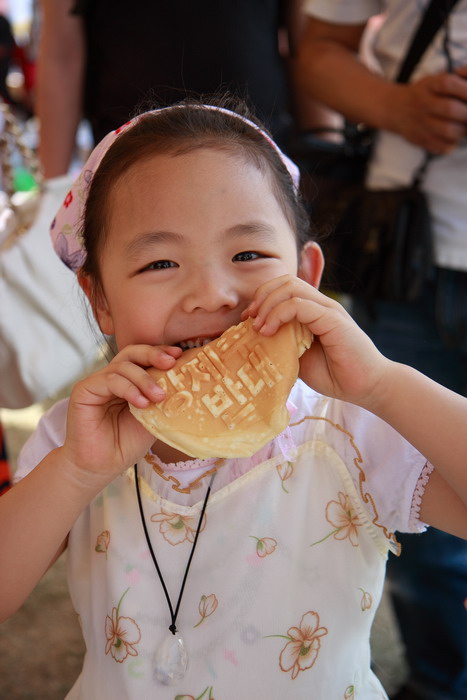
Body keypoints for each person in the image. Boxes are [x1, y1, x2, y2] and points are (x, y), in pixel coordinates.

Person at [0, 96, 466, 699]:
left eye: (247, 254)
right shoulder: (78, 438)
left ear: (305, 274)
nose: (212, 293)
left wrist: (382, 384)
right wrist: (75, 472)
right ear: (101, 300)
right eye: (160, 262)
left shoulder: (348, 427)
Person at [295, 3, 467, 699]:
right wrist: (399, 105)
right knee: (419, 534)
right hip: (410, 254)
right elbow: (317, 50)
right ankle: (438, 682)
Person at [36, 0, 307, 179]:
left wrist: (323, 151)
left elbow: (307, 47)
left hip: (264, 158)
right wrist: (52, 184)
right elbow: (62, 57)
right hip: (131, 165)